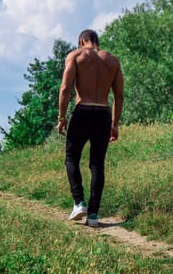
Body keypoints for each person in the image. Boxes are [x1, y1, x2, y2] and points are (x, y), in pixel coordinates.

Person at [57, 29, 124, 227]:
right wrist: (115, 123)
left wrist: (62, 117)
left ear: (81, 41)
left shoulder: (76, 56)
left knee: (71, 158)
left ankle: (79, 203)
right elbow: (119, 95)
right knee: (97, 165)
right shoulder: (112, 60)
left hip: (83, 110)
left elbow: (65, 88)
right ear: (97, 42)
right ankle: (93, 216)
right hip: (103, 114)